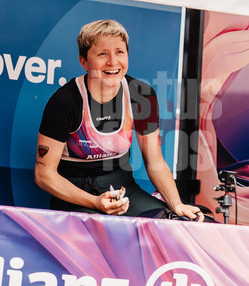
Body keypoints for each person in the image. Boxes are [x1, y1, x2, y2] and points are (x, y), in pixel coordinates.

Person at [34, 19, 203, 221]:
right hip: (76, 197)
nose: (113, 62)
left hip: (124, 192)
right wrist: (95, 202)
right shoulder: (66, 101)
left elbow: (155, 161)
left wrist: (177, 204)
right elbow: (44, 175)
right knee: (102, 233)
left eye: (119, 52)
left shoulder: (141, 95)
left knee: (170, 223)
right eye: (102, 54)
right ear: (84, 61)